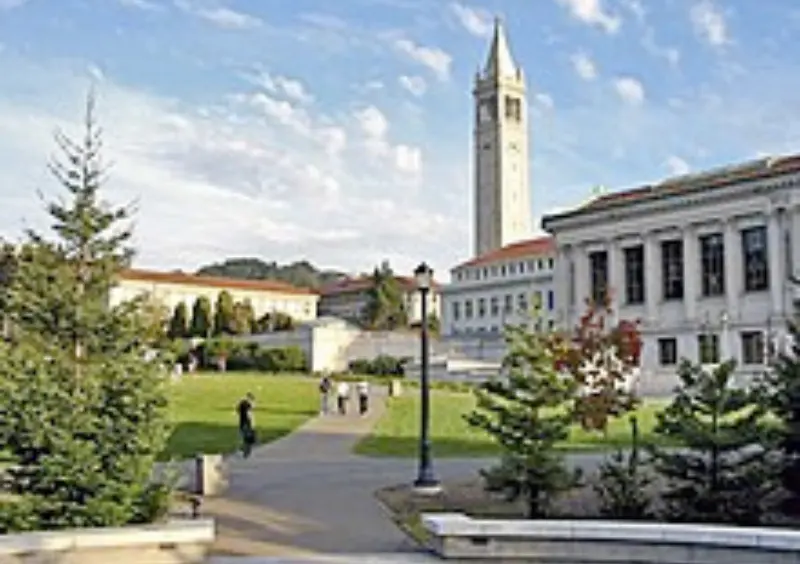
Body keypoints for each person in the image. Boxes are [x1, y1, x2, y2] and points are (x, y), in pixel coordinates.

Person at [236, 392, 256, 458]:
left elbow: (237, 410)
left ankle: (244, 450)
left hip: (241, 421)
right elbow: (249, 414)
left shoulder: (241, 403)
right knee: (248, 438)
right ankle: (246, 451)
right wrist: (252, 424)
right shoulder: (248, 405)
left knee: (244, 437)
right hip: (247, 423)